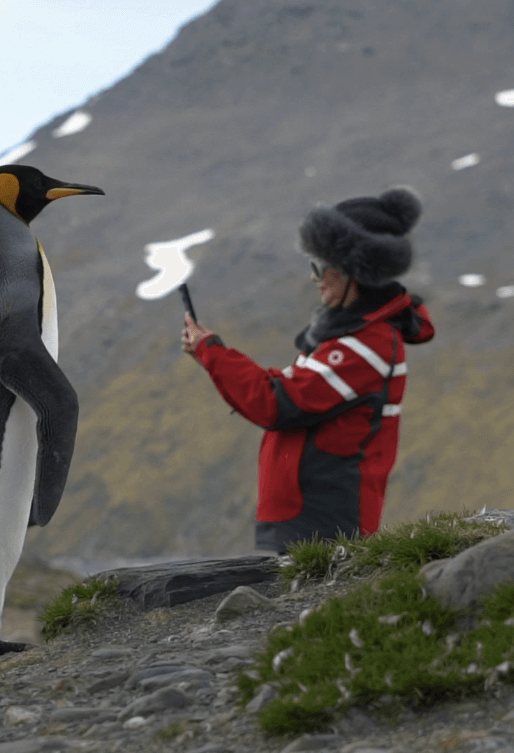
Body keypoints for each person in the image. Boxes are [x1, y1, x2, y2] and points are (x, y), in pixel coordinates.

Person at [181, 188, 435, 554]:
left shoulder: (365, 346)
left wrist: (214, 354)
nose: (315, 278)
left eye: (320, 266)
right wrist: (211, 353)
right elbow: (291, 388)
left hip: (325, 523)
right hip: (309, 519)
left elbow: (277, 402)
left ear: (353, 271)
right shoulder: (348, 339)